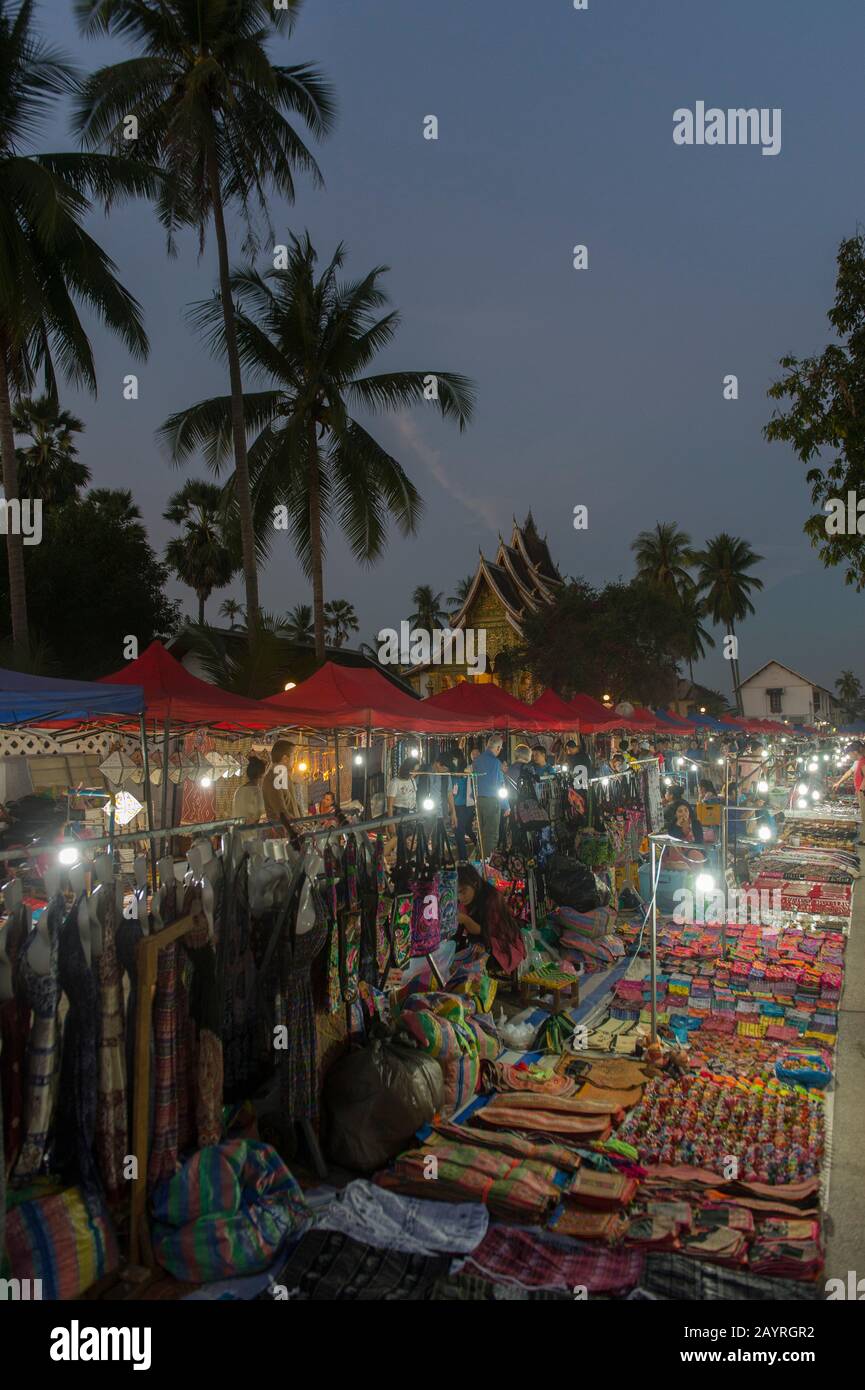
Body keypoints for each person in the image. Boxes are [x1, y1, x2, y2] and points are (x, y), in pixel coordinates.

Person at [456, 863, 526, 976]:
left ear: (474, 883)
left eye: (463, 891)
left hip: (502, 942)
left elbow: (487, 931)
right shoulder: (465, 902)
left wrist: (466, 920)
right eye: (457, 892)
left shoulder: (492, 898)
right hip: (482, 940)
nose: (460, 897)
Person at [473, 735, 507, 859]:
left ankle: (478, 861)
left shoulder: (477, 760)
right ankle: (487, 866)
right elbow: (500, 785)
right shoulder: (496, 763)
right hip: (492, 802)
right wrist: (506, 805)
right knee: (491, 836)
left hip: (479, 800)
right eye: (500, 748)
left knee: (481, 834)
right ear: (498, 748)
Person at [262, 740, 302, 831]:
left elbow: (293, 804)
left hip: (294, 831)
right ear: (285, 758)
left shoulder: (284, 776)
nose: (295, 760)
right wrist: (297, 828)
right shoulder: (273, 779)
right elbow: (281, 812)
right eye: (293, 756)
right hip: (284, 836)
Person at [834, 741, 865, 844]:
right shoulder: (858, 761)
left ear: (855, 752)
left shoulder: (863, 761)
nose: (849, 756)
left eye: (849, 754)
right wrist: (839, 782)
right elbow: (850, 772)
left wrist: (861, 790)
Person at [450, 753, 477, 861]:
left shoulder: (467, 773)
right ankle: (476, 848)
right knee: (464, 830)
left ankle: (463, 859)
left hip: (465, 806)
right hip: (458, 805)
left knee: (460, 832)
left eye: (455, 760)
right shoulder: (452, 774)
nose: (454, 762)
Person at [233, 755, 266, 823]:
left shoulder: (239, 790)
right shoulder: (257, 792)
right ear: (261, 775)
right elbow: (261, 815)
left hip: (236, 831)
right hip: (249, 832)